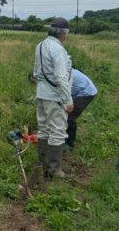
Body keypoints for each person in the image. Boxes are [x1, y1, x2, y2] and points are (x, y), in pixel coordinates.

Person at [32, 17, 73, 178]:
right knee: (57, 131)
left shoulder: (40, 45)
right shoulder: (57, 49)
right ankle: (55, 169)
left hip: (41, 93)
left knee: (43, 128)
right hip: (55, 96)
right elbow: (61, 77)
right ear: (63, 33)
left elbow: (36, 72)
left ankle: (43, 162)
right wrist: (68, 100)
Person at [66, 68, 98, 149]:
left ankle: (69, 143)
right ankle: (64, 137)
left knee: (70, 116)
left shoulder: (60, 74)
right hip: (82, 90)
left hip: (86, 92)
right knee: (66, 113)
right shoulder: (62, 69)